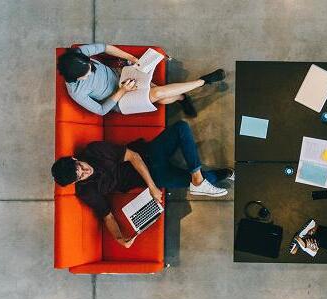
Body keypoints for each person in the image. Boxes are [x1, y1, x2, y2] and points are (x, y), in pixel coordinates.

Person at [51, 120, 233, 248]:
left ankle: (200, 178)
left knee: (181, 127)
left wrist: (153, 187)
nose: (85, 172)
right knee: (187, 180)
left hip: (148, 155)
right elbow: (107, 216)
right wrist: (120, 238)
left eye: (81, 167)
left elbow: (133, 156)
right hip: (156, 175)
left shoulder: (94, 151)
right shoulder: (86, 191)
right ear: (76, 181)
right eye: (80, 176)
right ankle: (216, 176)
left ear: (76, 159)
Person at [57, 43, 226, 117]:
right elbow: (101, 110)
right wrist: (122, 91)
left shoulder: (78, 54)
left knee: (161, 96)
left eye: (90, 67)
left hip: (121, 74)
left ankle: (182, 97)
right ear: (75, 78)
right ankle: (203, 81)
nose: (91, 73)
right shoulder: (77, 92)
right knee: (158, 92)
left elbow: (105, 47)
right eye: (86, 75)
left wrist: (132, 58)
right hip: (119, 100)